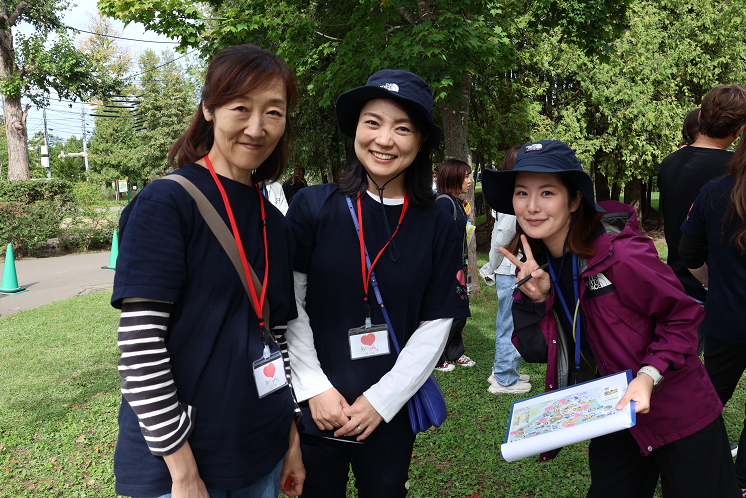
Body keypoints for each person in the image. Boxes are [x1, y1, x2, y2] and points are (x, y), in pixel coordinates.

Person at [483, 140, 739, 497]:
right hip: (616, 412)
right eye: (522, 193)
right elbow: (535, 350)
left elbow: (683, 316)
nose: (532, 206)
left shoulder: (620, 255)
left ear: (574, 200)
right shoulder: (538, 267)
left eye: (547, 193)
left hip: (678, 411)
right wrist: (538, 300)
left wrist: (650, 374)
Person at [110, 45, 305, 498]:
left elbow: (275, 335)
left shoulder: (273, 220)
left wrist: (291, 439)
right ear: (209, 109)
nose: (256, 128)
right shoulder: (167, 203)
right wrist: (183, 472)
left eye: (273, 112)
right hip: (180, 466)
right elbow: (140, 346)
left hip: (260, 453)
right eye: (241, 108)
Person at [284, 69, 470, 498]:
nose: (384, 140)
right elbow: (291, 303)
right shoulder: (312, 206)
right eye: (373, 122)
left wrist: (382, 401)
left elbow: (438, 321)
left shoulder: (439, 220)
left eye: (402, 128)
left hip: (390, 411)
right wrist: (315, 388)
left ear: (420, 139)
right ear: (355, 129)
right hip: (318, 409)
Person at [658, 85, 746, 354]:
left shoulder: (669, 162)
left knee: (680, 371)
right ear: (739, 130)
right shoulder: (732, 172)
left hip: (674, 282)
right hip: (716, 289)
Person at [681, 132, 746, 492]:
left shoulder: (714, 191)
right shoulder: (719, 190)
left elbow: (688, 251)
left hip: (724, 318)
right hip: (725, 318)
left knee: (707, 400)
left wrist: (709, 282)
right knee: (706, 400)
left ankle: (694, 469)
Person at [480, 145, 531, 394]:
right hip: (511, 269)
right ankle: (504, 379)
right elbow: (501, 238)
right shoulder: (513, 198)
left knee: (507, 323)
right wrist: (493, 266)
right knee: (510, 325)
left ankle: (505, 371)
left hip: (510, 269)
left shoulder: (511, 195)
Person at [433, 158, 476, 371]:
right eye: (466, 176)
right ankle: (437, 357)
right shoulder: (443, 203)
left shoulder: (456, 202)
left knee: (459, 310)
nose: (469, 180)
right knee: (446, 313)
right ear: (453, 178)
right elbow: (438, 239)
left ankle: (454, 352)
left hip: (458, 266)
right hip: (446, 269)